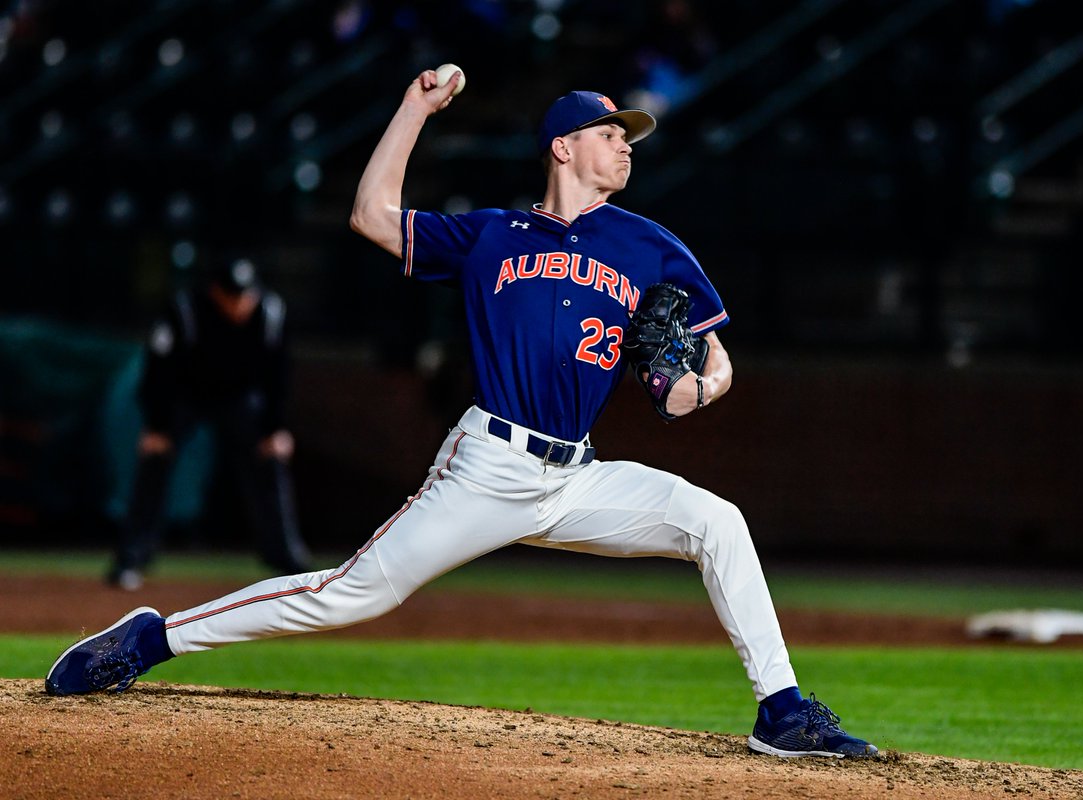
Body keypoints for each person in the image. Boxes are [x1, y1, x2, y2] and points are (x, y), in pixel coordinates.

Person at [48, 69, 877, 759]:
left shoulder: (652, 245)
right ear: (563, 146)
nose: (626, 142)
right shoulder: (491, 236)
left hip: (577, 475)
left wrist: (707, 386)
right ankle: (155, 638)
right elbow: (371, 217)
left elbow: (712, 348)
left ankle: (782, 711)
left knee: (716, 520)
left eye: (628, 135)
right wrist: (415, 109)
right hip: (490, 466)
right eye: (609, 131)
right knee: (351, 595)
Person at [106, 256, 313, 591]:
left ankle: (287, 560)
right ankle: (131, 557)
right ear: (215, 292)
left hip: (241, 399)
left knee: (270, 461)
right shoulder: (185, 309)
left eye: (245, 294)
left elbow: (278, 375)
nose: (240, 303)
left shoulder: (270, 312)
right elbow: (158, 370)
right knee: (154, 461)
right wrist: (157, 426)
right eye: (232, 295)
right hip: (186, 396)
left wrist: (275, 428)